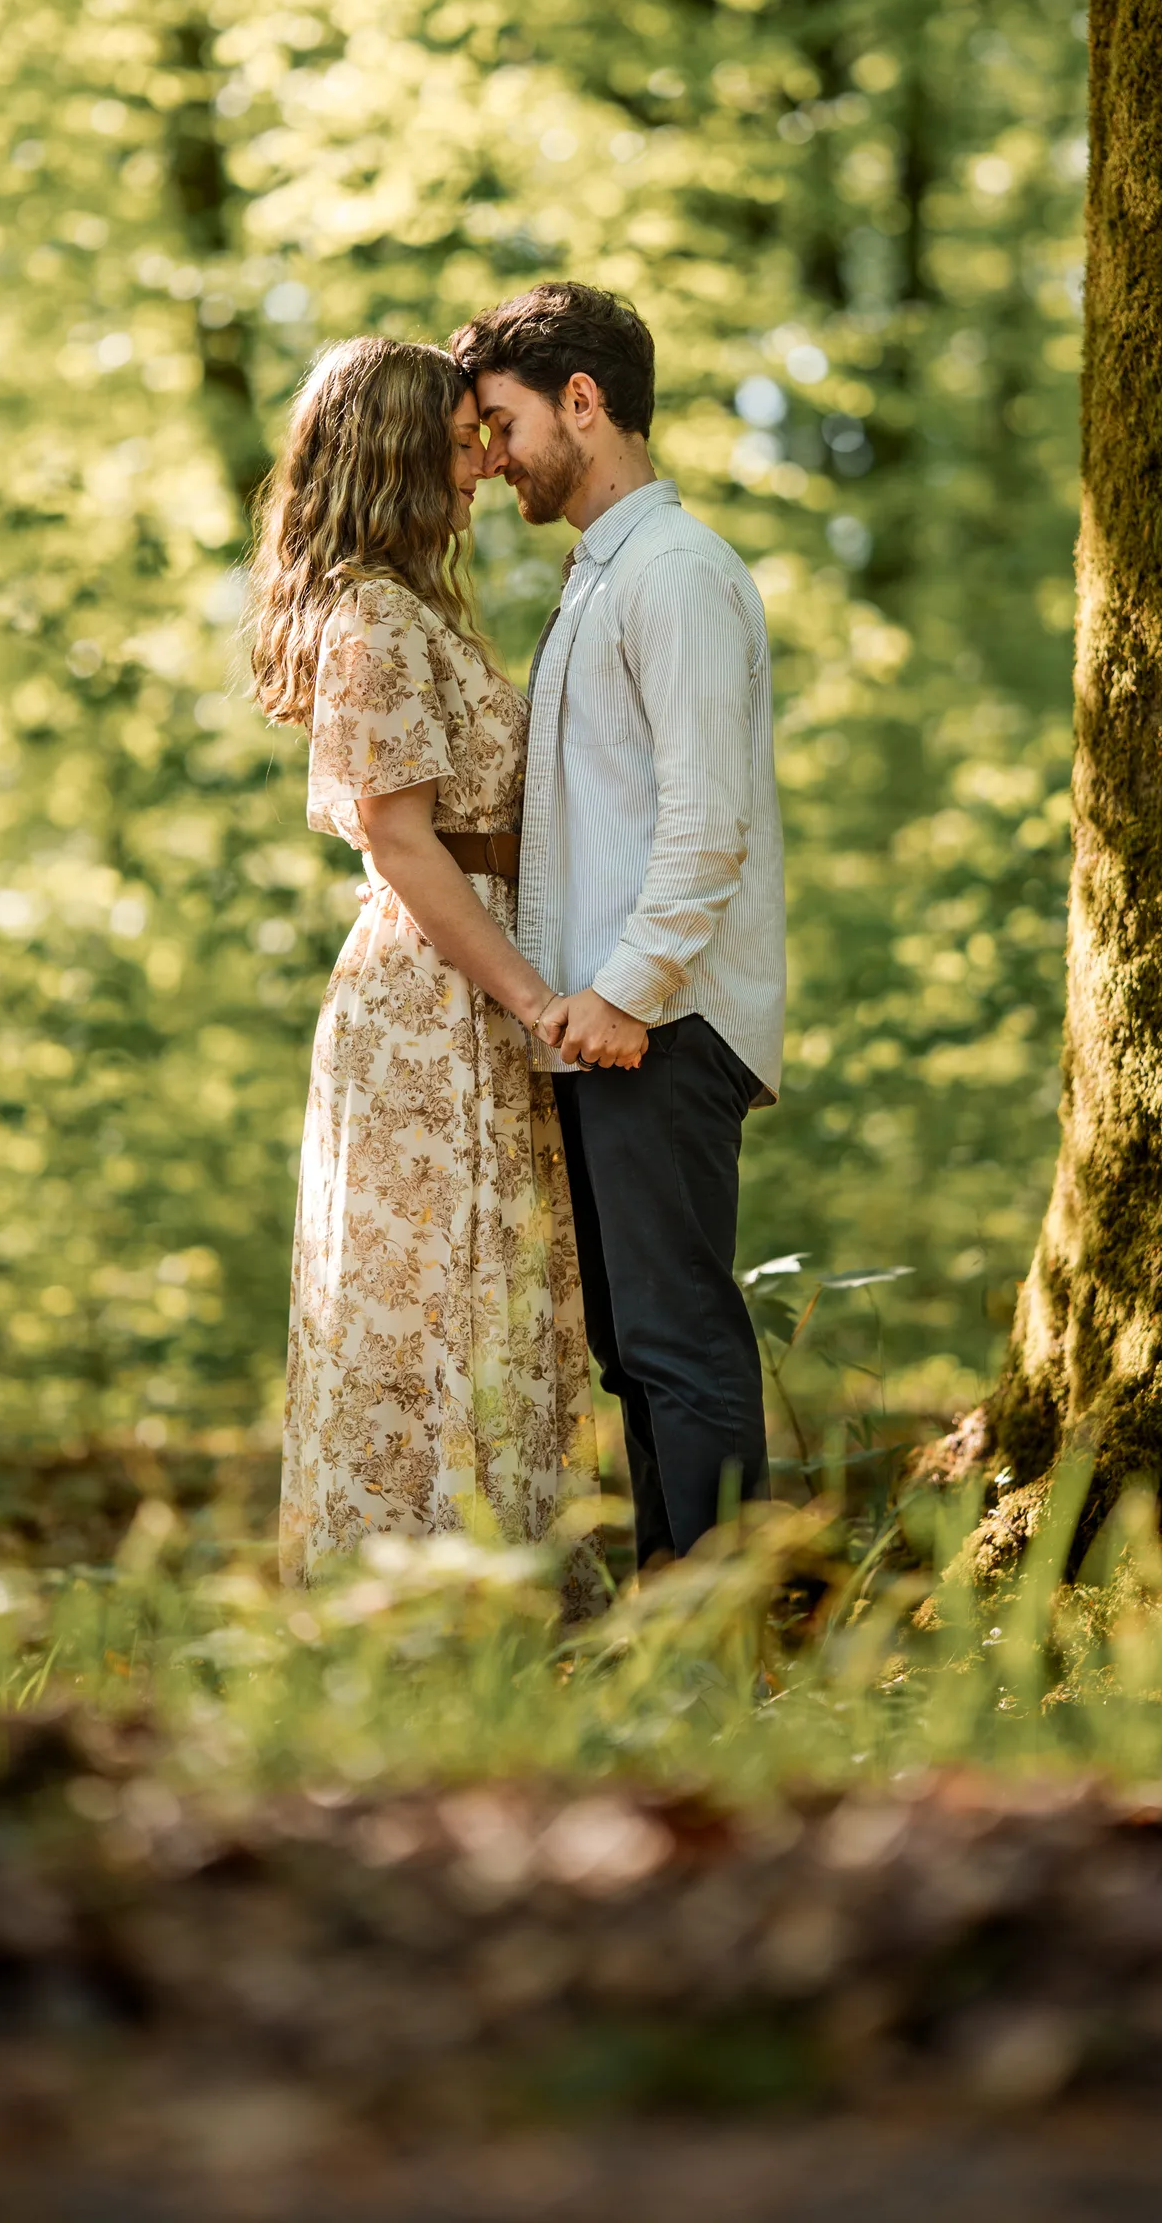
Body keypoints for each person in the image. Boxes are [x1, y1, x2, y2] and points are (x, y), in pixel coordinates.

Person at [247, 336, 601, 1584]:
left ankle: (491, 1589)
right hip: (437, 998)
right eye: (461, 443)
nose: (483, 466)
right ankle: (424, 1605)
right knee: (438, 1300)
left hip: (470, 982)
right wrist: (533, 998)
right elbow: (403, 839)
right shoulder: (377, 619)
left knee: (485, 1294)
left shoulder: (408, 609)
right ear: (401, 453)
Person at [449, 282, 786, 1567]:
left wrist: (630, 992)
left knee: (680, 1339)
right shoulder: (606, 577)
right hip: (607, 1023)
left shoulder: (679, 576)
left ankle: (722, 1635)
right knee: (633, 1348)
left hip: (664, 1018)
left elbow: (710, 825)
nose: (490, 457)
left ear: (581, 403)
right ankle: (676, 1630)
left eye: (502, 422)